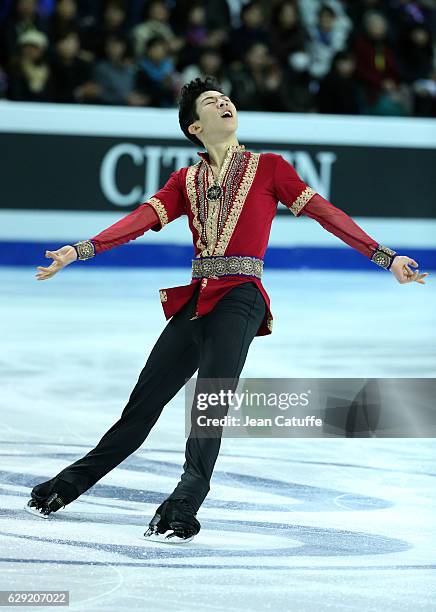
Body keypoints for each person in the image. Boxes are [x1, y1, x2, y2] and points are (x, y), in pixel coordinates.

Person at [26, 75, 429, 543]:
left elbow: (326, 213)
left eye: (225, 99)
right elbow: (138, 220)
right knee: (142, 405)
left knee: (209, 401)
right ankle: (70, 484)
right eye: (211, 103)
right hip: (197, 299)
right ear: (195, 127)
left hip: (241, 297)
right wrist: (81, 249)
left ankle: (184, 503)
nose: (224, 104)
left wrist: (385, 256)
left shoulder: (270, 167)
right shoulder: (186, 180)